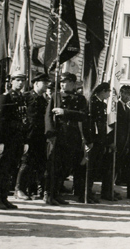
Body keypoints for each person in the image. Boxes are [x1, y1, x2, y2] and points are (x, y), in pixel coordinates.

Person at [45, 72, 88, 205]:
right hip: (58, 134)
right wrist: (50, 134)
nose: (63, 84)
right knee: (54, 166)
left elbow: (83, 115)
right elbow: (48, 116)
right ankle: (50, 194)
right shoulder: (56, 96)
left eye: (66, 82)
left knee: (65, 167)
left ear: (73, 84)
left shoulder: (80, 99)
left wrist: (66, 112)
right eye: (61, 82)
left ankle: (57, 193)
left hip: (72, 135)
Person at [0, 71, 28, 210]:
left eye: (23, 80)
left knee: (9, 170)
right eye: (17, 80)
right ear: (11, 81)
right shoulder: (5, 98)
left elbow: (23, 120)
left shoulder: (20, 98)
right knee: (0, 170)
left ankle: (4, 197)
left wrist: (24, 141)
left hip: (15, 141)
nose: (21, 83)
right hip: (4, 141)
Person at [15, 72, 50, 201]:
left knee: (40, 164)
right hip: (28, 135)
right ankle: (19, 189)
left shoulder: (44, 100)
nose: (47, 85)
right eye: (44, 83)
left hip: (40, 136)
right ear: (36, 83)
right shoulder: (26, 97)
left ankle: (38, 190)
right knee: (26, 163)